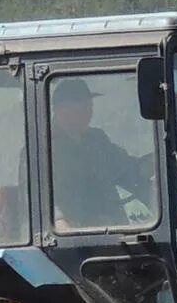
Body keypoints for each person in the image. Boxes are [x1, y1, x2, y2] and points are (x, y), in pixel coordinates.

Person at [49, 81, 154, 230]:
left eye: (89, 108)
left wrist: (159, 162)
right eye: (82, 108)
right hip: (69, 239)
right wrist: (64, 229)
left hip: (109, 230)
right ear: (60, 110)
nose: (88, 113)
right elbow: (39, 204)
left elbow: (129, 170)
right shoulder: (41, 151)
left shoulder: (97, 140)